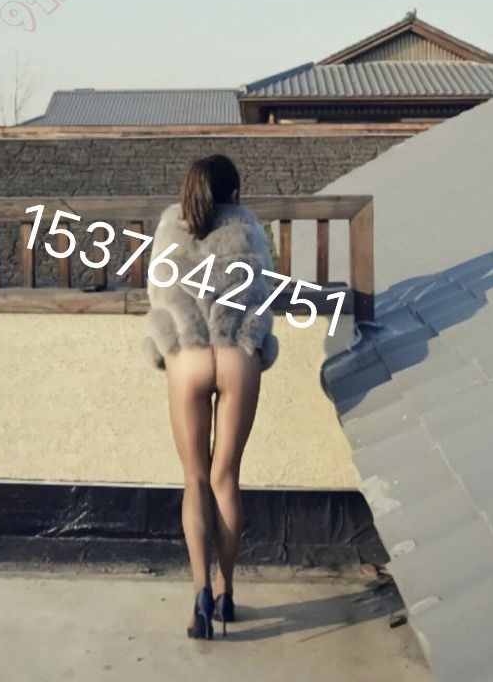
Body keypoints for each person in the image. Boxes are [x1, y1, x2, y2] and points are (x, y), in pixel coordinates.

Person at [143, 154, 279, 640]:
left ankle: (200, 593)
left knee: (195, 480)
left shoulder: (169, 228)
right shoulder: (249, 229)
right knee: (226, 479)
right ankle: (227, 592)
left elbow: (158, 296)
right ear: (235, 193)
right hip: (237, 352)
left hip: (189, 355)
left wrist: (164, 344)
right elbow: (265, 292)